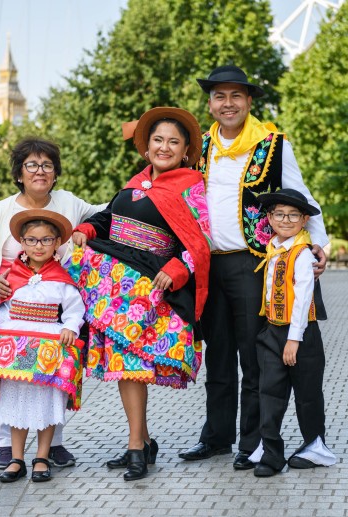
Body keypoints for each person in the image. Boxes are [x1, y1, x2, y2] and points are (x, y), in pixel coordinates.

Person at [178, 65, 329, 469]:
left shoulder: (274, 143)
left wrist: (320, 244)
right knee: (218, 355)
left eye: (236, 96)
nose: (227, 104)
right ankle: (216, 436)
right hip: (210, 264)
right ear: (210, 104)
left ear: (248, 102)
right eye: (219, 97)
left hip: (255, 265)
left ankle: (253, 443)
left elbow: (301, 194)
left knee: (255, 357)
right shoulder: (199, 145)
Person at [67, 107, 212, 481]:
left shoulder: (191, 186)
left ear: (185, 151)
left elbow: (201, 240)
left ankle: (136, 446)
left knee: (132, 367)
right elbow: (107, 220)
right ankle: (142, 443)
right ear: (146, 147)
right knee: (124, 368)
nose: (164, 147)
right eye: (158, 140)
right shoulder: (135, 182)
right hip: (115, 286)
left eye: (173, 142)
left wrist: (178, 269)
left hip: (148, 288)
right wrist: (85, 228)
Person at [0, 137, 106, 469]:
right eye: (32, 165)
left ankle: (53, 444)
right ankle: (3, 443)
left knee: (54, 372)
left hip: (54, 301)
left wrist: (141, 186)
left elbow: (105, 212)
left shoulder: (68, 202)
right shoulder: (1, 209)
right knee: (3, 372)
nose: (40, 171)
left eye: (47, 165)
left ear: (55, 173)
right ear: (19, 173)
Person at [0, 210, 85, 483]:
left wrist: (70, 327)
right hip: (17, 350)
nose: (39, 246)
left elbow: (74, 309)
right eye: (32, 240)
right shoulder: (13, 276)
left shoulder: (62, 279)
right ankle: (16, 458)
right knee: (16, 400)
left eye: (46, 240)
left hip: (48, 348)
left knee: (47, 402)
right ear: (22, 243)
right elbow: (2, 309)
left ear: (57, 242)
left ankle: (41, 456)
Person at [246, 188, 336, 477]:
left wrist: (293, 340)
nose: (286, 219)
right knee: (269, 391)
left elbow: (302, 298)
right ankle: (271, 451)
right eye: (279, 214)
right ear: (270, 217)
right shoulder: (273, 248)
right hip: (273, 331)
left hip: (302, 334)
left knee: (307, 392)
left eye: (293, 215)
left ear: (304, 219)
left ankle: (315, 445)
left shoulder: (302, 254)